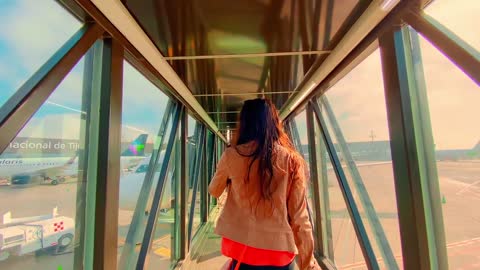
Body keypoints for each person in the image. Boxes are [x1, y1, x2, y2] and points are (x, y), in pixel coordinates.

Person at [209, 98, 320, 270]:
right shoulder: (292, 160)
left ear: (244, 123)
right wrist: (309, 264)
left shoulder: (231, 155)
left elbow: (214, 191)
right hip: (279, 253)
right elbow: (300, 218)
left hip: (243, 250)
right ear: (274, 122)